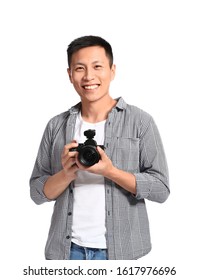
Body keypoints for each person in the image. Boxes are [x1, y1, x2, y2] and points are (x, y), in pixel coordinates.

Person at [30, 35, 170, 260]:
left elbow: (162, 189)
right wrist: (66, 174)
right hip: (66, 251)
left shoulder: (140, 122)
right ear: (69, 75)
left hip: (123, 251)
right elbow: (37, 193)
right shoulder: (56, 125)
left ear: (112, 71)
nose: (88, 76)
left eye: (97, 67)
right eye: (79, 68)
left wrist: (109, 172)